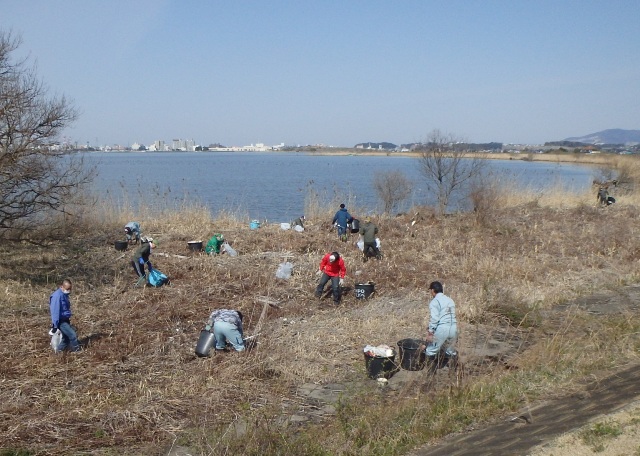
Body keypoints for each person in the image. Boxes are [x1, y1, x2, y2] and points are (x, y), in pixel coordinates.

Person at [419, 281, 458, 373]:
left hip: (442, 328)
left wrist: (430, 332)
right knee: (450, 351)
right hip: (454, 328)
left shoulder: (435, 301)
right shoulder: (450, 300)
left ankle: (430, 376)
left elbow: (435, 319)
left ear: (433, 290)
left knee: (430, 351)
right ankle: (453, 374)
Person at [49, 279, 81, 352]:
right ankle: (78, 351)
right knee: (73, 335)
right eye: (67, 289)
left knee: (66, 338)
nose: (69, 291)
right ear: (62, 287)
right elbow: (55, 312)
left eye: (70, 289)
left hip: (65, 319)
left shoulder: (64, 295)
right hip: (61, 321)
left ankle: (58, 351)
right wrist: (55, 325)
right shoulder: (57, 296)